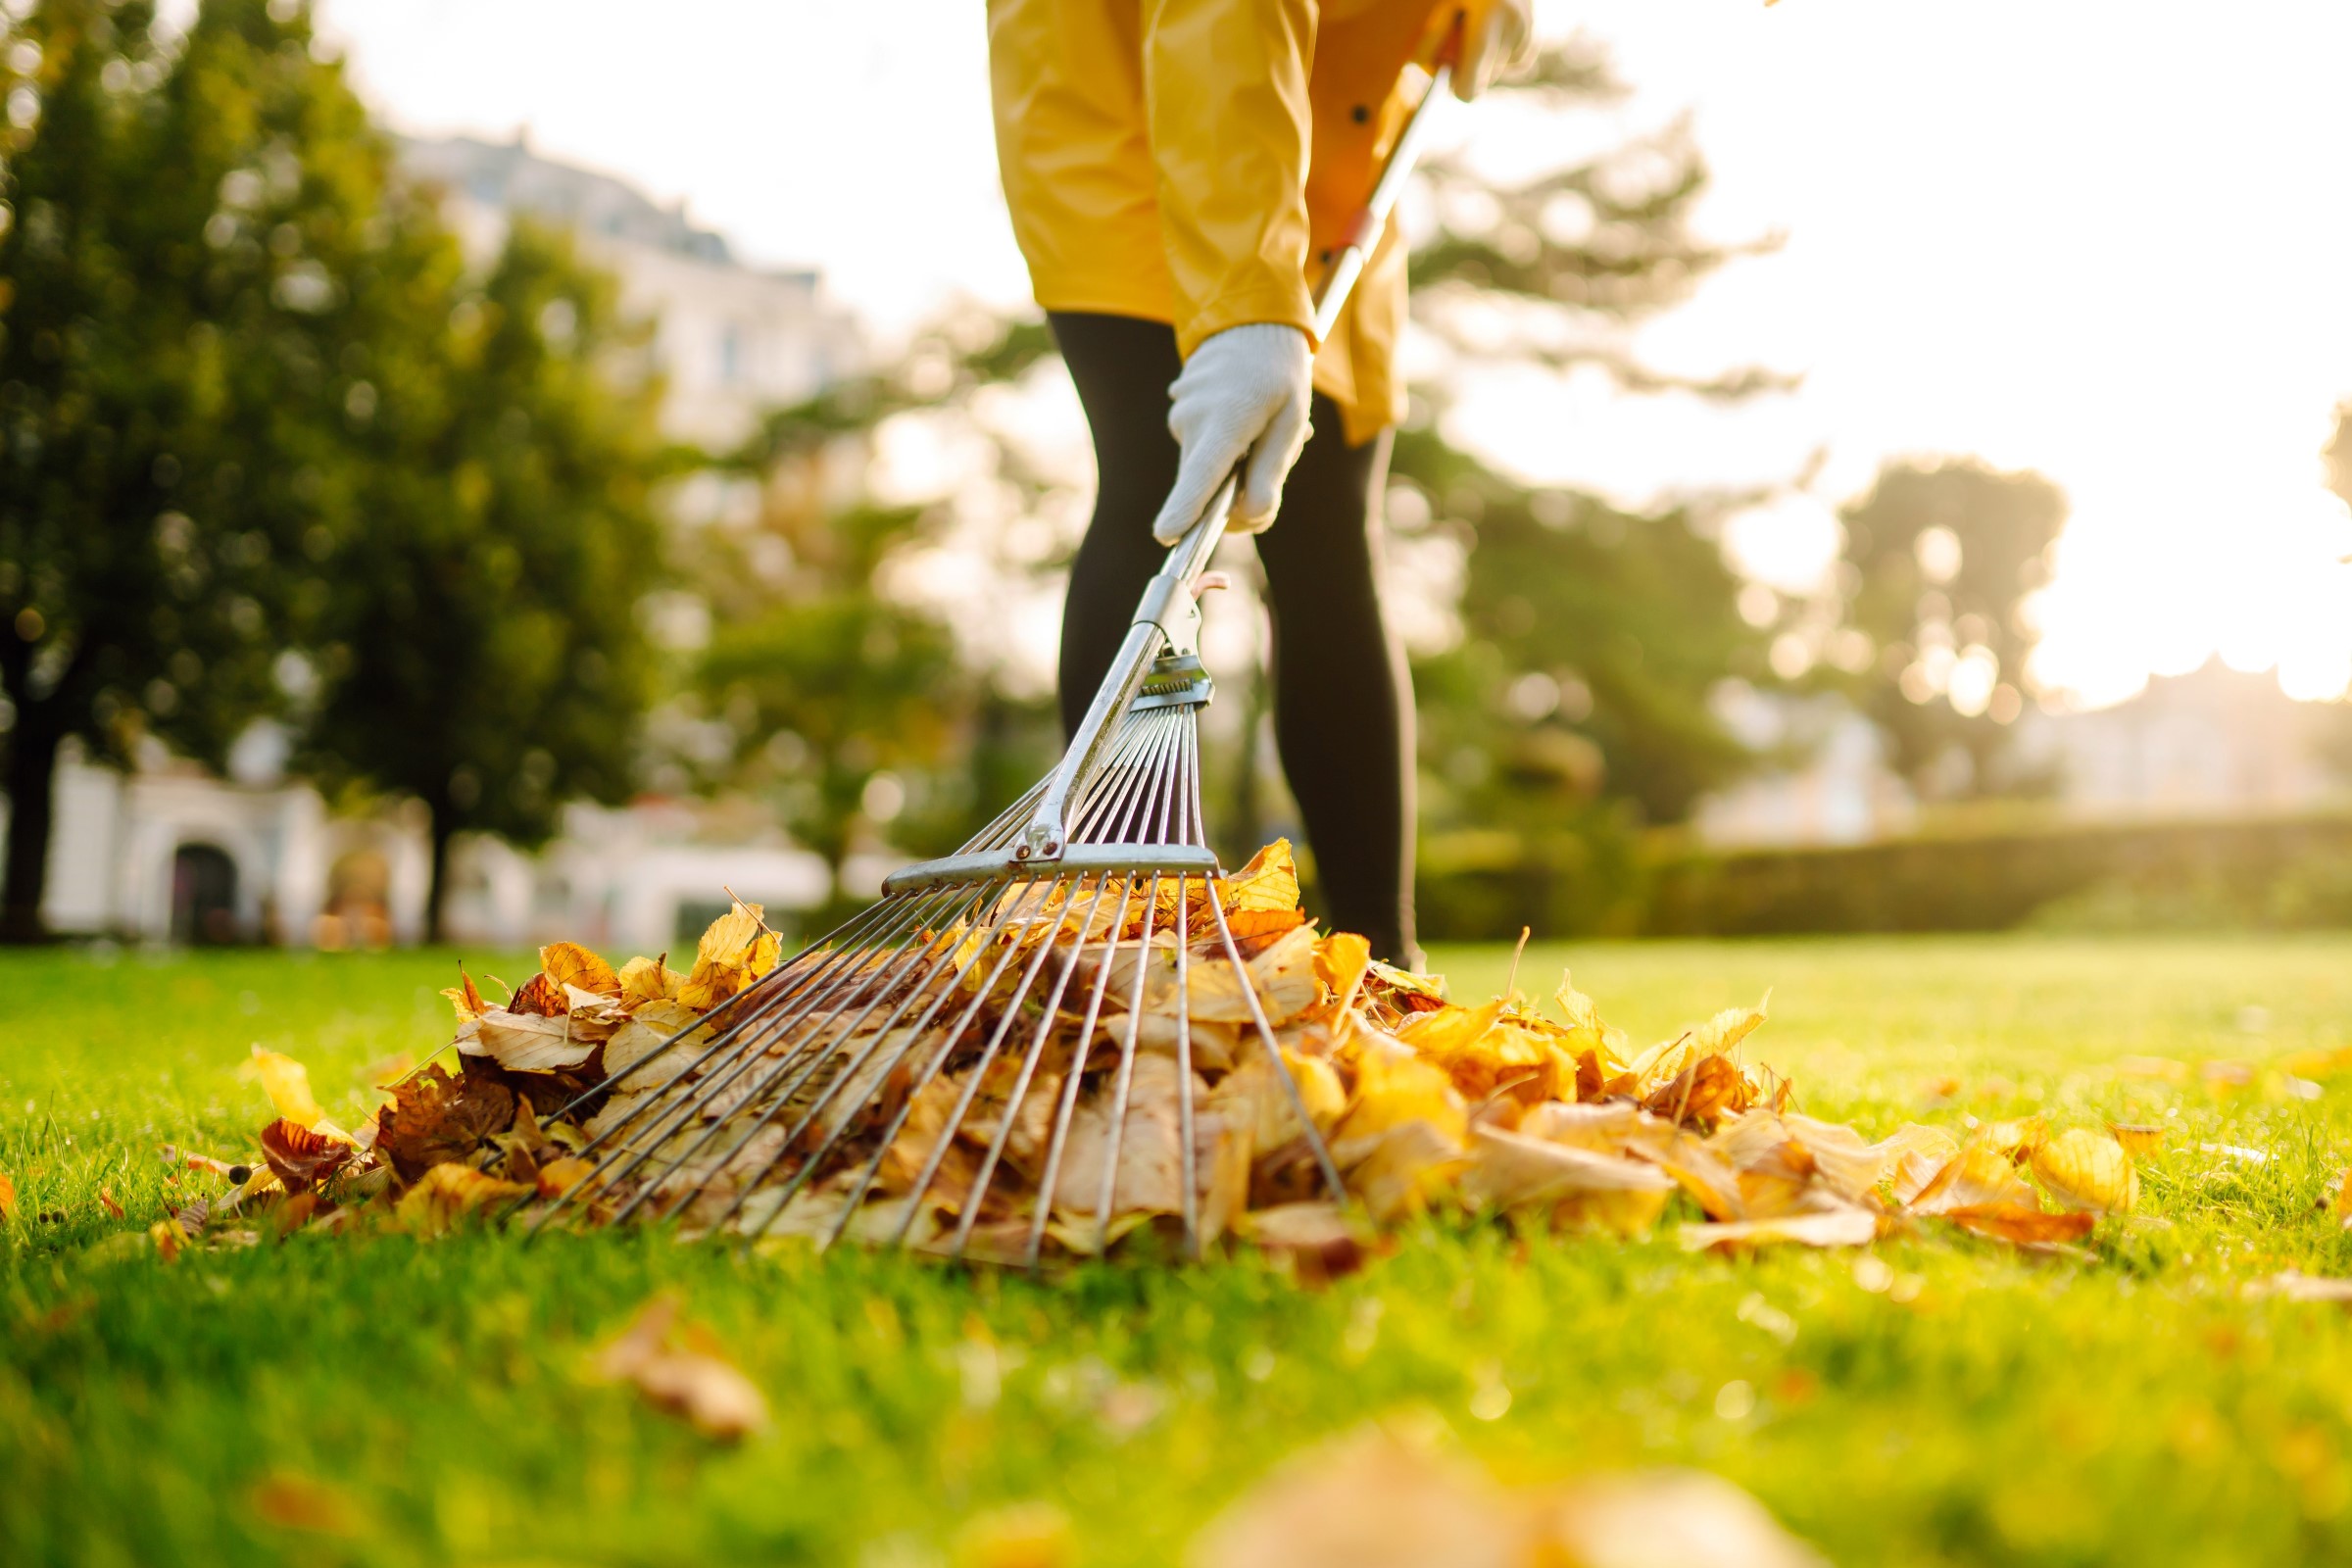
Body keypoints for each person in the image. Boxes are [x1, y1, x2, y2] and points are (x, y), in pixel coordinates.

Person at [987, 0, 1532, 965]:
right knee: (1156, 486)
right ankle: (1126, 949)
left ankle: (1382, 962)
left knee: (1331, 535)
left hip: (1325, 137)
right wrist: (1245, 305)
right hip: (1124, 104)